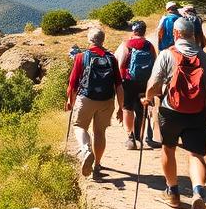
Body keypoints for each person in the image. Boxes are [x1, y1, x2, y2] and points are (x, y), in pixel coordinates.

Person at [142, 16, 206, 209]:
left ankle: (173, 193)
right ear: (194, 35)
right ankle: (198, 192)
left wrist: (148, 98)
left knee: (168, 149)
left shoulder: (167, 55)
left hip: (170, 111)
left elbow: (155, 83)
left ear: (175, 34)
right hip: (198, 113)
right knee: (196, 155)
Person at [66, 28, 123, 181]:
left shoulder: (81, 57)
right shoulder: (111, 58)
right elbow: (119, 85)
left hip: (86, 98)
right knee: (100, 133)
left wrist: (70, 101)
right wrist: (121, 108)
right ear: (103, 40)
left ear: (89, 40)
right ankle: (97, 166)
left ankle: (85, 150)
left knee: (79, 126)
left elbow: (72, 83)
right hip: (107, 100)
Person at [116, 20, 157, 149]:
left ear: (133, 31)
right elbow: (155, 63)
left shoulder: (126, 44)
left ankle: (130, 137)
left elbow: (120, 63)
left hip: (128, 81)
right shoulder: (149, 45)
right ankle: (138, 137)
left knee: (128, 108)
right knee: (141, 110)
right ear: (144, 31)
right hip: (144, 82)